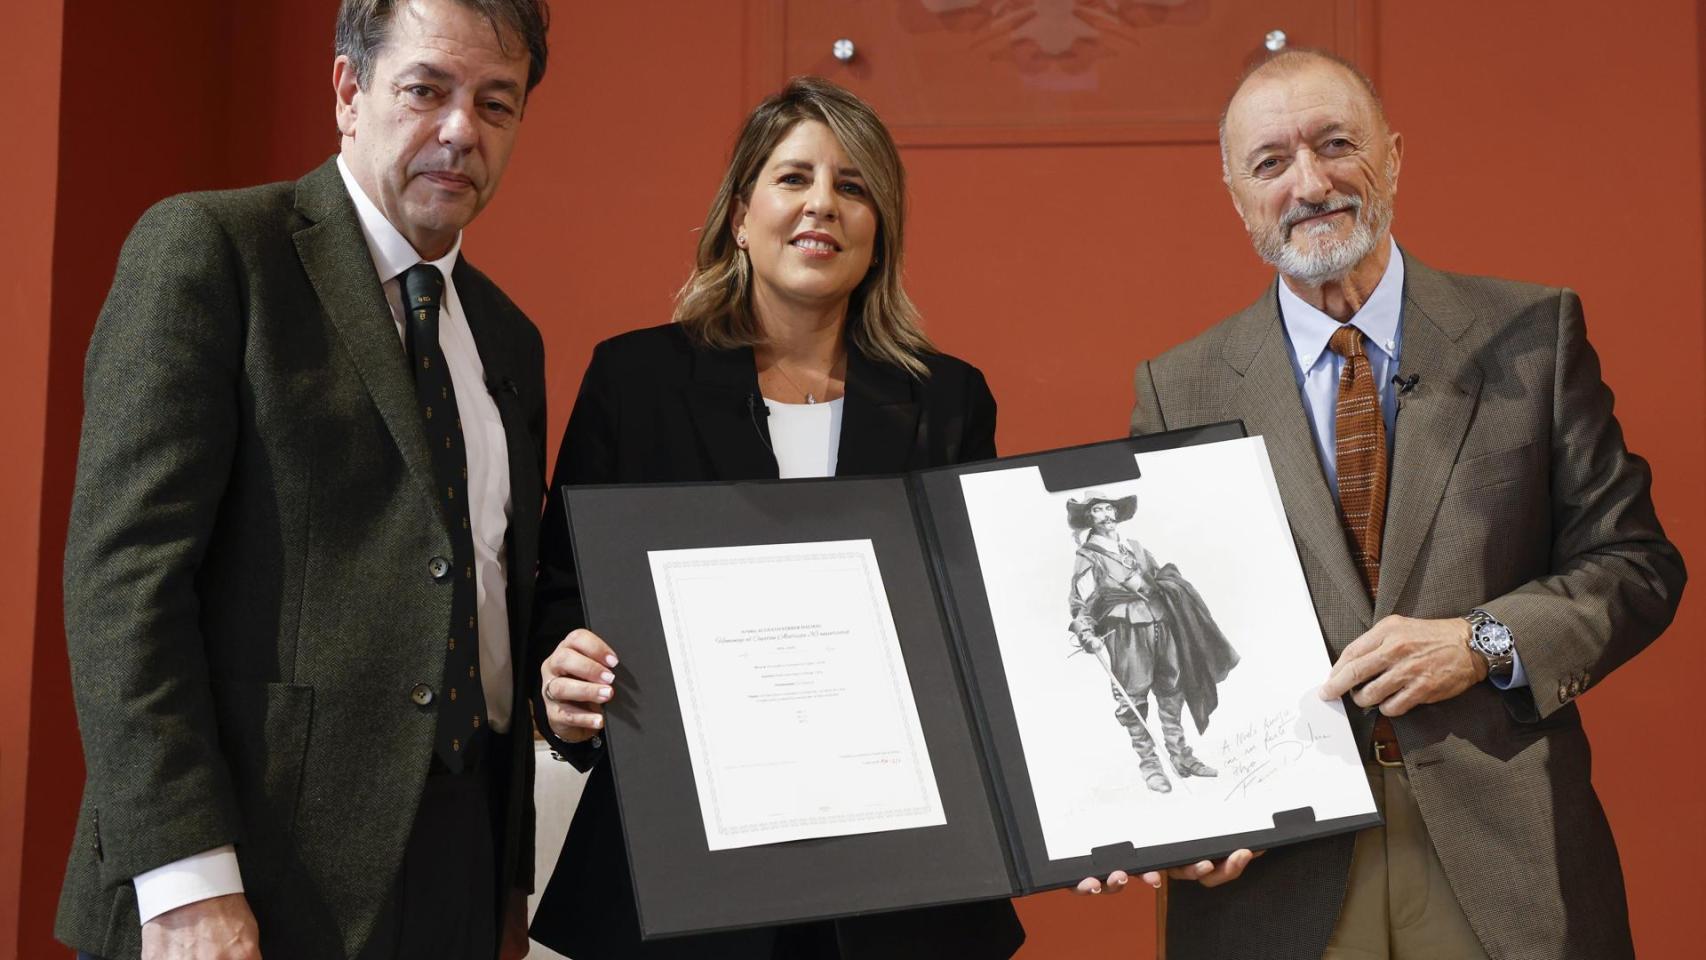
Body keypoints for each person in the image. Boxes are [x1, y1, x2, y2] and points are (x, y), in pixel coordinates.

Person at [1081, 49, 1686, 960]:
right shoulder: (1178, 388)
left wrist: (1481, 642)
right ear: (1236, 193)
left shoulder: (1533, 337)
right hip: (1279, 871)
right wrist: (1178, 810)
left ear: (1394, 158)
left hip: (1505, 862)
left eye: (1336, 145)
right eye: (1272, 162)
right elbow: (1166, 623)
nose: (1311, 183)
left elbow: (1637, 566)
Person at [55, 1, 552, 957]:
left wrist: (504, 875)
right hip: (247, 871)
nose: (461, 130)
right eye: (426, 90)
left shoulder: (510, 340)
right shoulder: (213, 251)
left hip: (458, 867)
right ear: (348, 90)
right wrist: (187, 878)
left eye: (498, 103)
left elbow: (490, 597)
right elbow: (124, 585)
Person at [526, 76, 1025, 960]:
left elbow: (975, 628)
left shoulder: (949, 400)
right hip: (678, 873)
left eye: (854, 185)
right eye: (794, 178)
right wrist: (564, 687)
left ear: (880, 232)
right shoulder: (633, 383)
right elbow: (561, 595)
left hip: (897, 880)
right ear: (740, 213)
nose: (822, 205)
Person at [1065, 491, 1238, 793]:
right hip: (1126, 635)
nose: (1106, 515)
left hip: (1162, 627)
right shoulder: (1088, 557)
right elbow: (1080, 602)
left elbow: (1159, 580)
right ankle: (1151, 767)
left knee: (1172, 691)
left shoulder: (1136, 548)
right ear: (1088, 518)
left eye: (1109, 508)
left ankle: (1182, 757)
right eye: (1098, 511)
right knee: (1133, 700)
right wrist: (1087, 634)